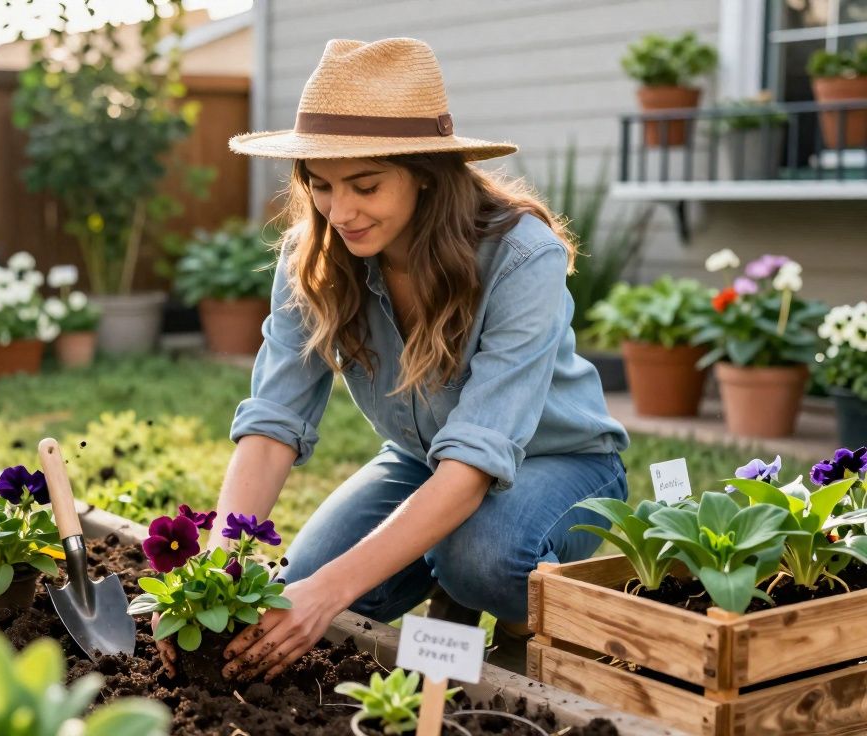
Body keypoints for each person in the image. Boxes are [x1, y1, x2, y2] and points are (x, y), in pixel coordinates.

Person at [156, 37, 630, 681]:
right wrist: (216, 575)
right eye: (320, 186)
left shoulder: (521, 255)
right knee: (307, 585)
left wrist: (326, 595)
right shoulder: (316, 256)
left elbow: (474, 460)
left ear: (427, 174)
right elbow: (272, 422)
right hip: (418, 462)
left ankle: (517, 621)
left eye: (366, 185)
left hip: (562, 462)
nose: (340, 212)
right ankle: (446, 587)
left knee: (478, 560)